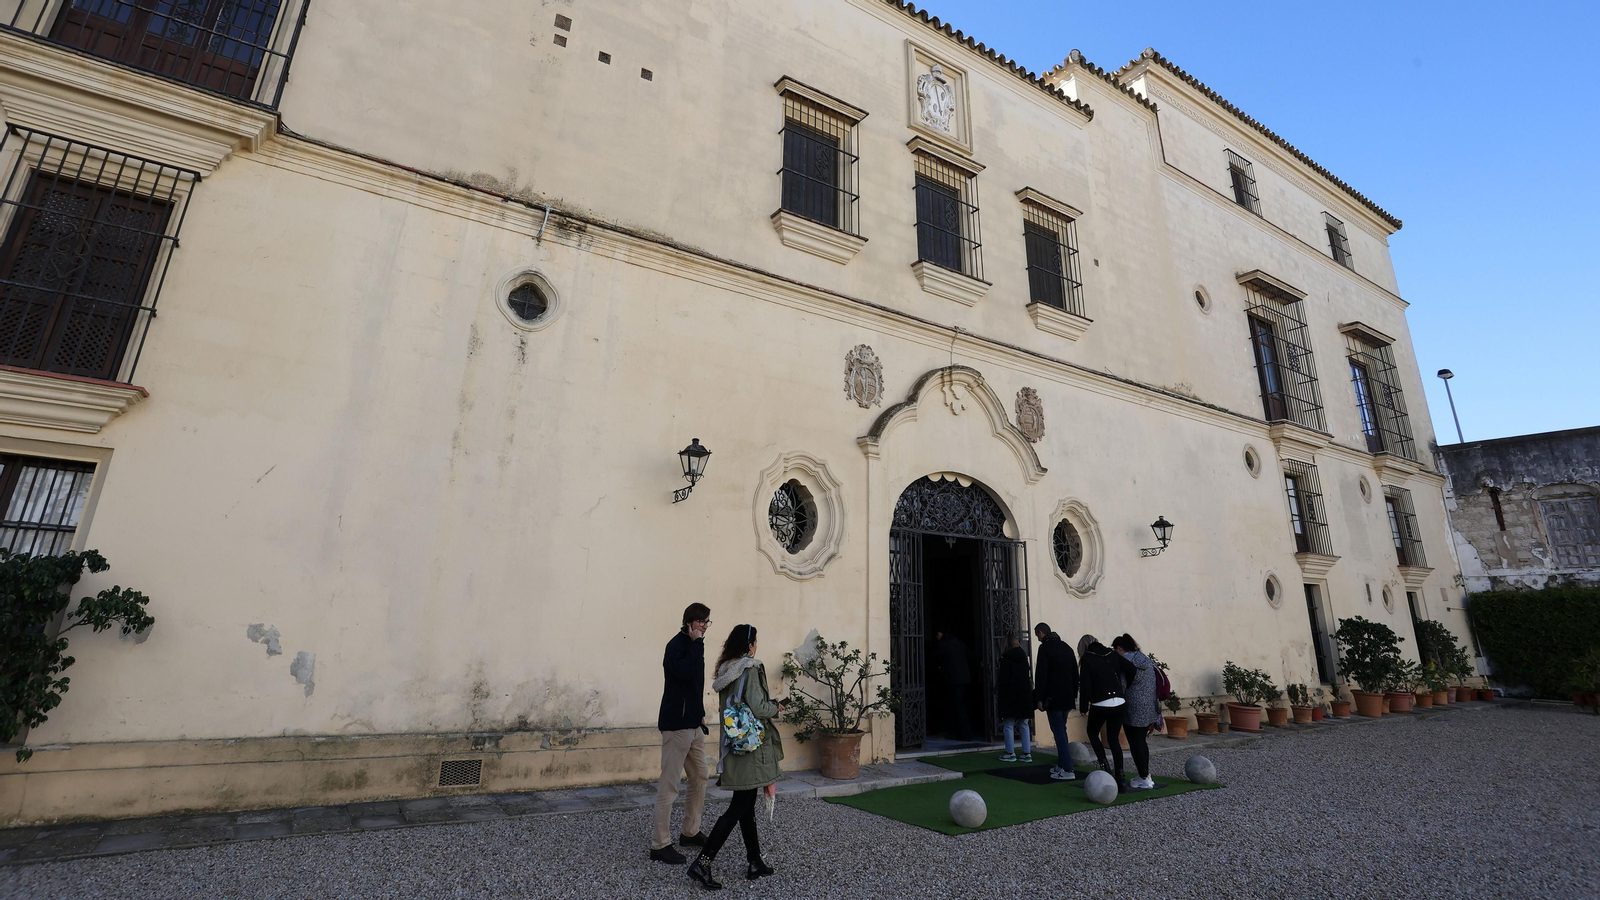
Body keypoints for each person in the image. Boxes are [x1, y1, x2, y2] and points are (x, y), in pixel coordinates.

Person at [687, 624, 783, 890]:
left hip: (734, 744)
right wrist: (776, 707)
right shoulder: (750, 668)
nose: (756, 647)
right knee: (738, 807)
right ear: (750, 645)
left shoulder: (727, 670)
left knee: (745, 805)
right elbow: (758, 707)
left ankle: (755, 861)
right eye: (756, 642)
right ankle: (703, 862)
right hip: (751, 746)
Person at [651, 603, 712, 864]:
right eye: (700, 622)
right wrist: (696, 645)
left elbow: (696, 684)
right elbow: (685, 674)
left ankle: (690, 832)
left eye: (707, 622)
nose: (704, 627)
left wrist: (700, 713)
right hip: (676, 726)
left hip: (693, 725)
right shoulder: (676, 646)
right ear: (689, 622)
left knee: (700, 776)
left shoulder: (696, 647)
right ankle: (659, 845)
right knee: (670, 785)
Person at [1078, 633, 1137, 790]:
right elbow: (1131, 669)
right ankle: (1121, 777)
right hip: (1119, 701)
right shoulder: (1112, 654)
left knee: (1092, 732)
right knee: (1113, 739)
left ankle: (1106, 769)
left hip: (1100, 702)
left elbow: (1085, 685)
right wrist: (1124, 688)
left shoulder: (1087, 659)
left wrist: (1083, 707)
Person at [1112, 634, 1158, 791]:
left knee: (1135, 742)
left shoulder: (1126, 662)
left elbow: (1122, 685)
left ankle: (1144, 778)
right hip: (1149, 705)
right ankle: (1146, 775)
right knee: (1141, 741)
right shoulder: (1145, 659)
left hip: (1132, 706)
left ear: (1119, 648)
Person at [1033, 623, 1078, 780]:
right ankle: (1062, 763)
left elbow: (1041, 675)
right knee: (1061, 730)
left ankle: (1068, 768)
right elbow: (1075, 673)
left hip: (1052, 697)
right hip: (1067, 697)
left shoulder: (1045, 648)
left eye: (1037, 635)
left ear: (1041, 632)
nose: (1038, 639)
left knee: (1058, 731)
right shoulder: (1067, 647)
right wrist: (1074, 695)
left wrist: (1039, 698)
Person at [996, 634, 1033, 762]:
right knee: (1024, 724)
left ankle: (1010, 752)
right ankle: (1027, 753)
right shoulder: (1024, 658)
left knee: (1008, 724)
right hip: (1024, 695)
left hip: (1010, 696)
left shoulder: (1005, 659)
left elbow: (1004, 680)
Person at [932, 629, 974, 741]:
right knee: (960, 705)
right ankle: (963, 733)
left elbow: (935, 657)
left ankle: (963, 734)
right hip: (964, 679)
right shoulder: (959, 643)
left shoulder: (944, 645)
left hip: (953, 680)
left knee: (957, 706)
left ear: (940, 633)